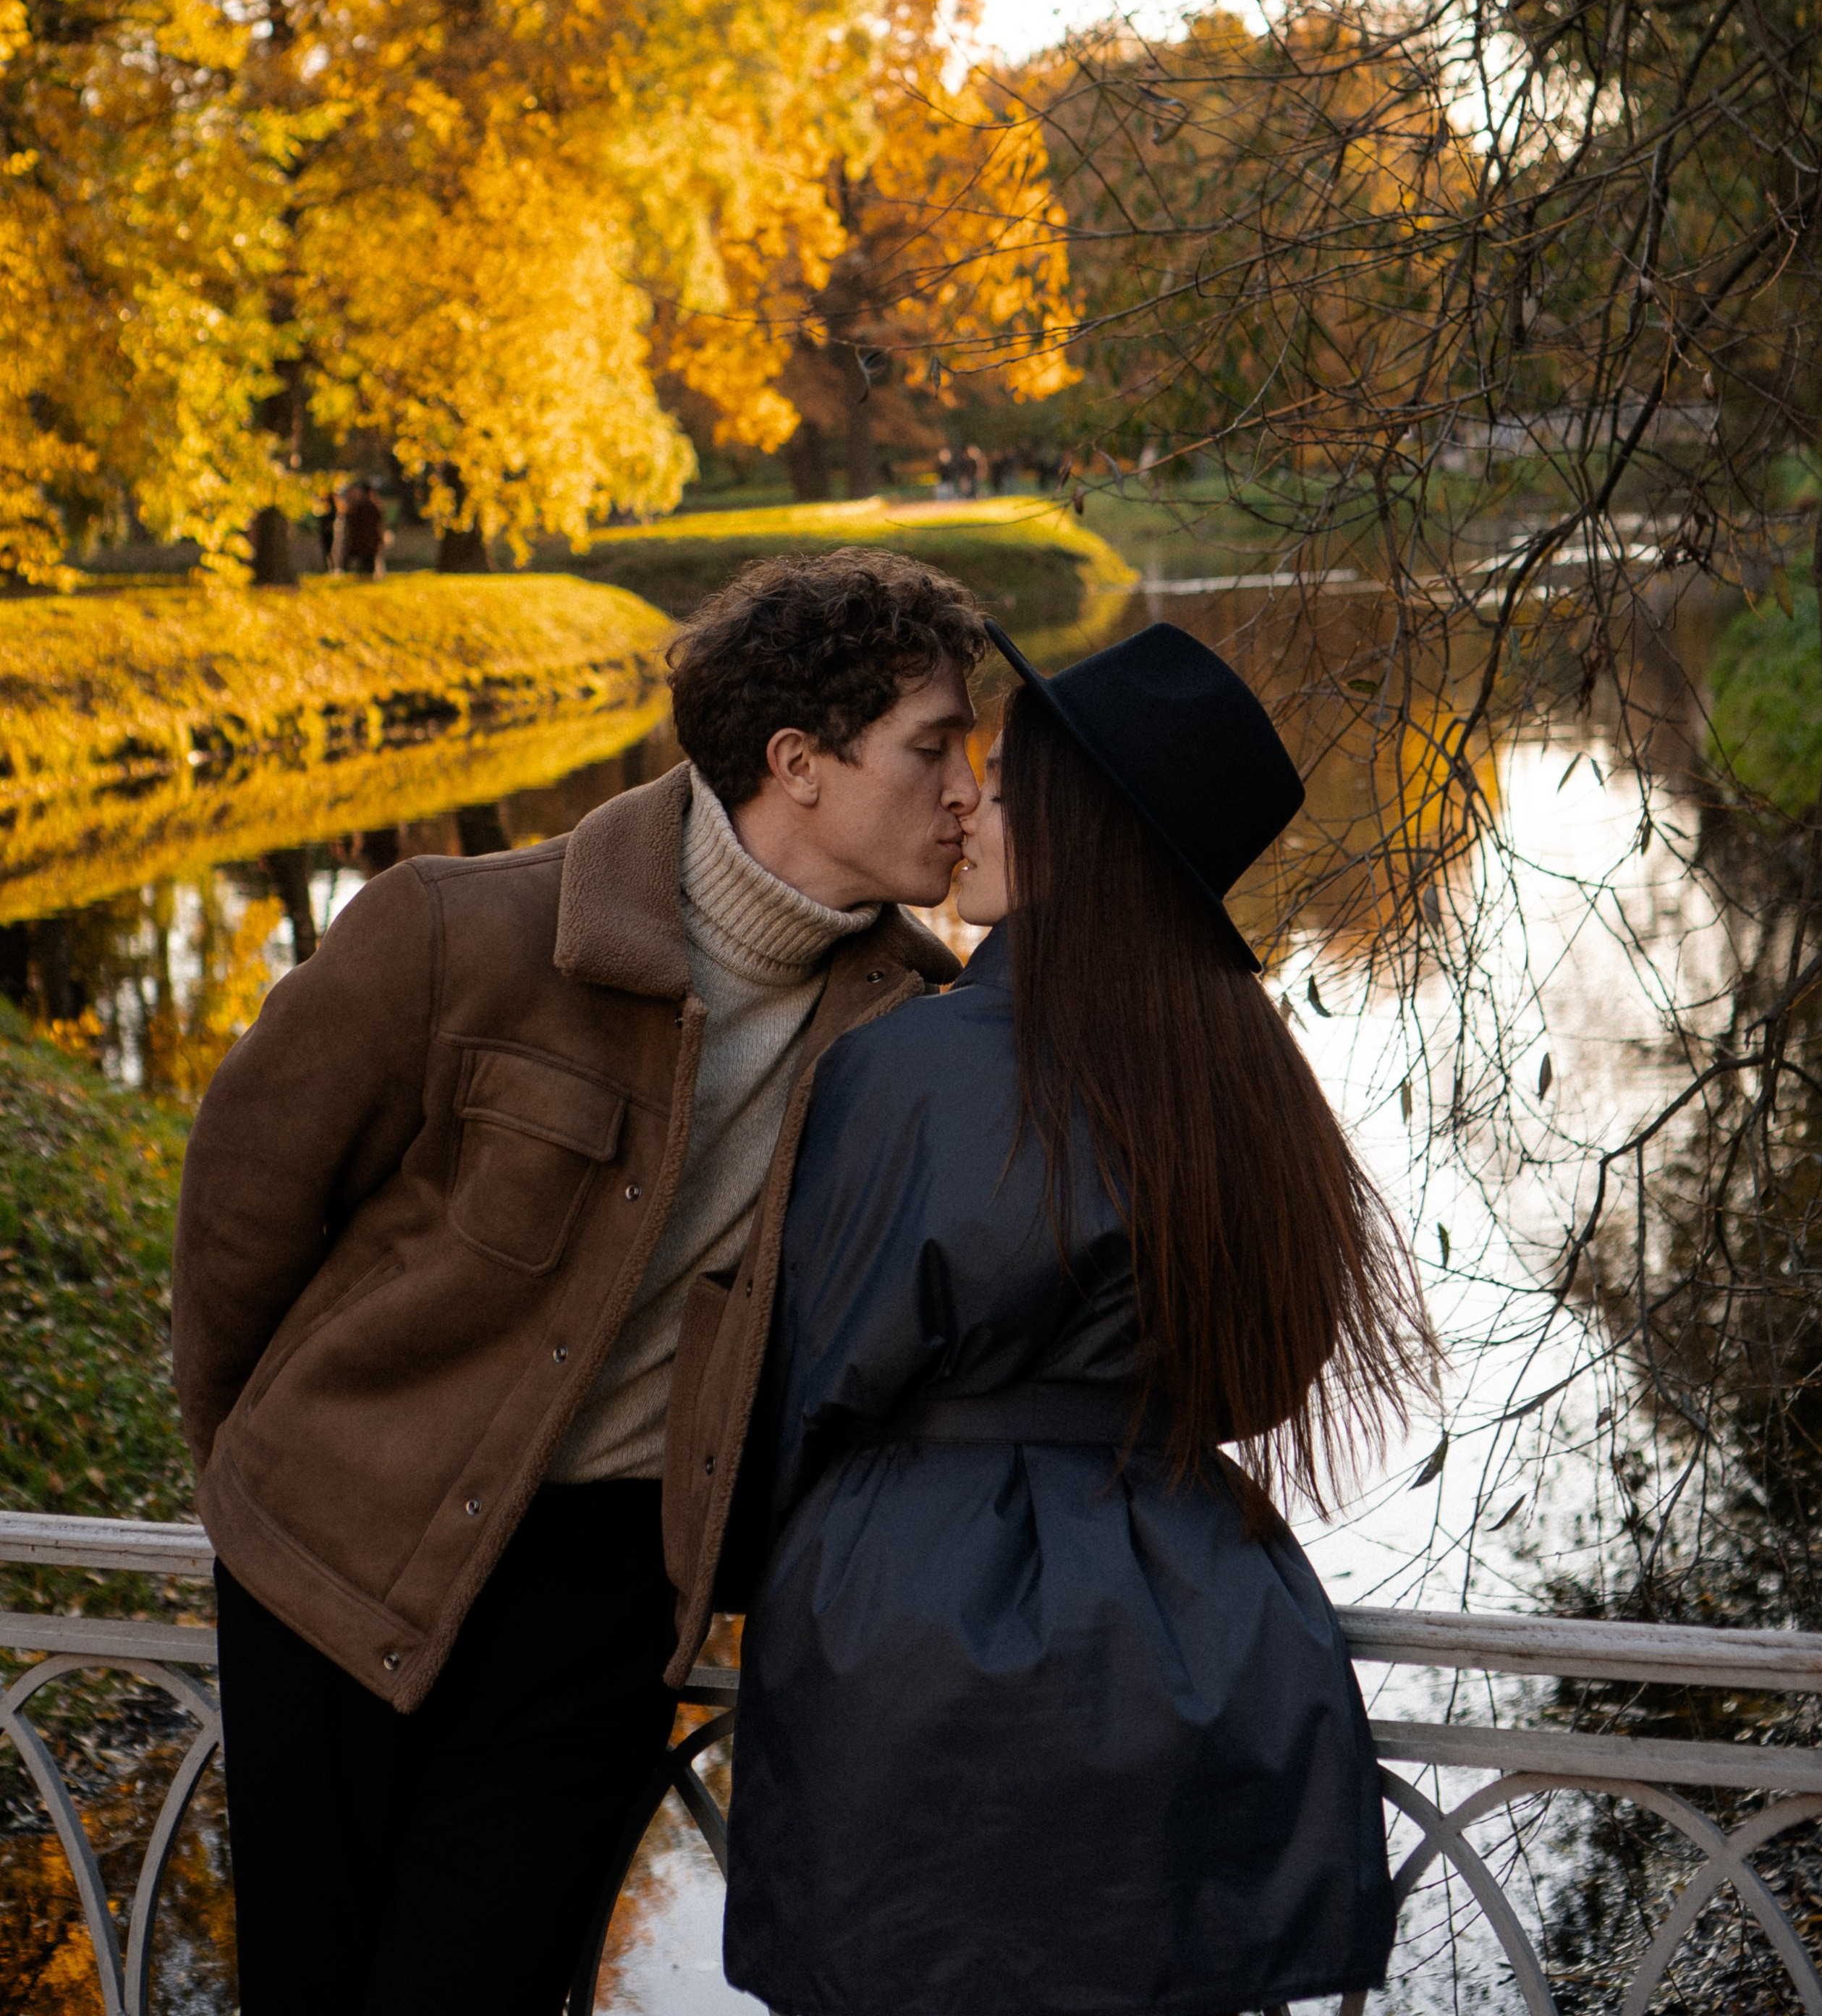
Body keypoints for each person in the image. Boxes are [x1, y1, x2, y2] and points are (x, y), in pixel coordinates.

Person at [170, 550, 987, 2016]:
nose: (967, 789)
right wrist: (262, 1468)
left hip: (608, 1605)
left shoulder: (913, 1034)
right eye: (933, 747)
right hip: (338, 1543)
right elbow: (245, 1211)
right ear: (795, 763)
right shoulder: (454, 928)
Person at [723, 619, 1436, 2016]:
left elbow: (812, 1372)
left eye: (1004, 781)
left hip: (911, 1637)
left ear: (1081, 831)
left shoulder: (912, 1070)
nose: (968, 801)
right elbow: (1263, 1374)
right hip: (1190, 1616)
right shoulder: (1251, 1074)